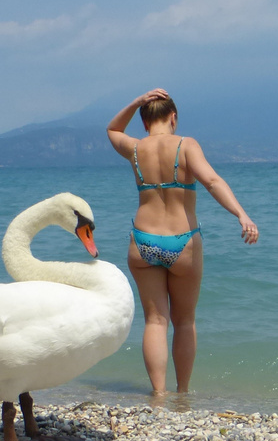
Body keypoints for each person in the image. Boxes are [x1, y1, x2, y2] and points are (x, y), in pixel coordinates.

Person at [107, 88, 258, 395]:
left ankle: (159, 395)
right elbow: (213, 181)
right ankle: (183, 393)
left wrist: (136, 102)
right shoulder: (186, 145)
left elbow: (112, 128)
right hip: (182, 242)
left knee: (155, 321)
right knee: (185, 321)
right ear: (173, 117)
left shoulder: (136, 148)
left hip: (143, 241)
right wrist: (241, 214)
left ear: (145, 121)